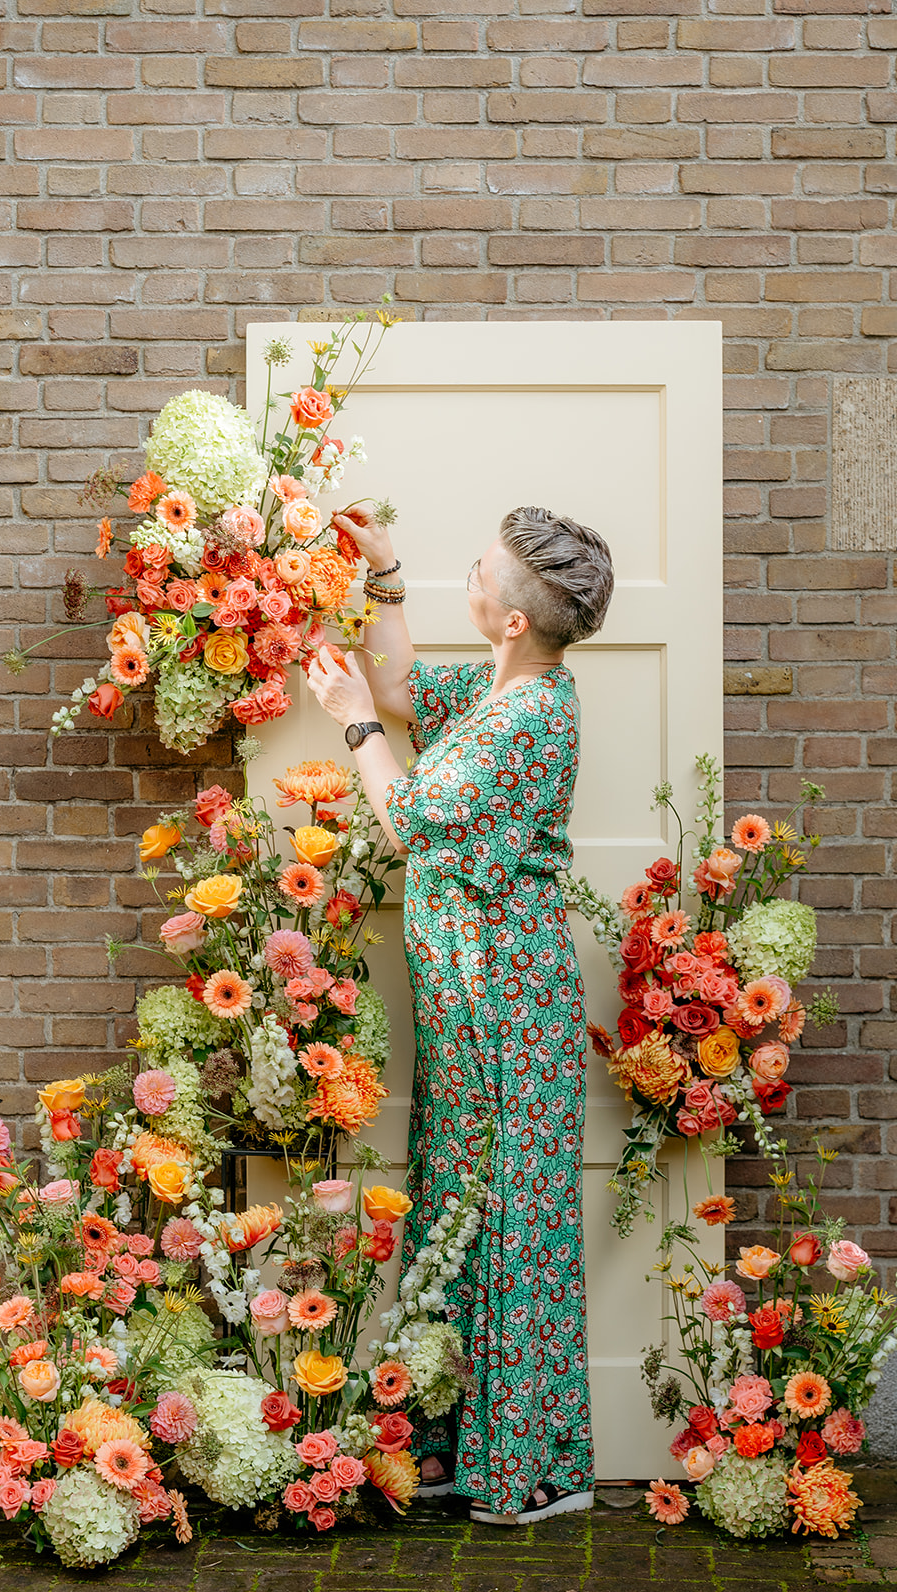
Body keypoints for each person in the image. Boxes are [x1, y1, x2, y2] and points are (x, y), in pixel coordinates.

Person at [304, 502, 614, 1526]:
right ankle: (451, 1444)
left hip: (505, 1003)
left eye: (475, 572)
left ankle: (532, 1469)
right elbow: (398, 687)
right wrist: (383, 569)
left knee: (510, 1222)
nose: (467, 580)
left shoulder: (531, 718)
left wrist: (351, 724)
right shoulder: (496, 689)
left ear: (512, 620)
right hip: (467, 1000)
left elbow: (409, 815)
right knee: (459, 1211)